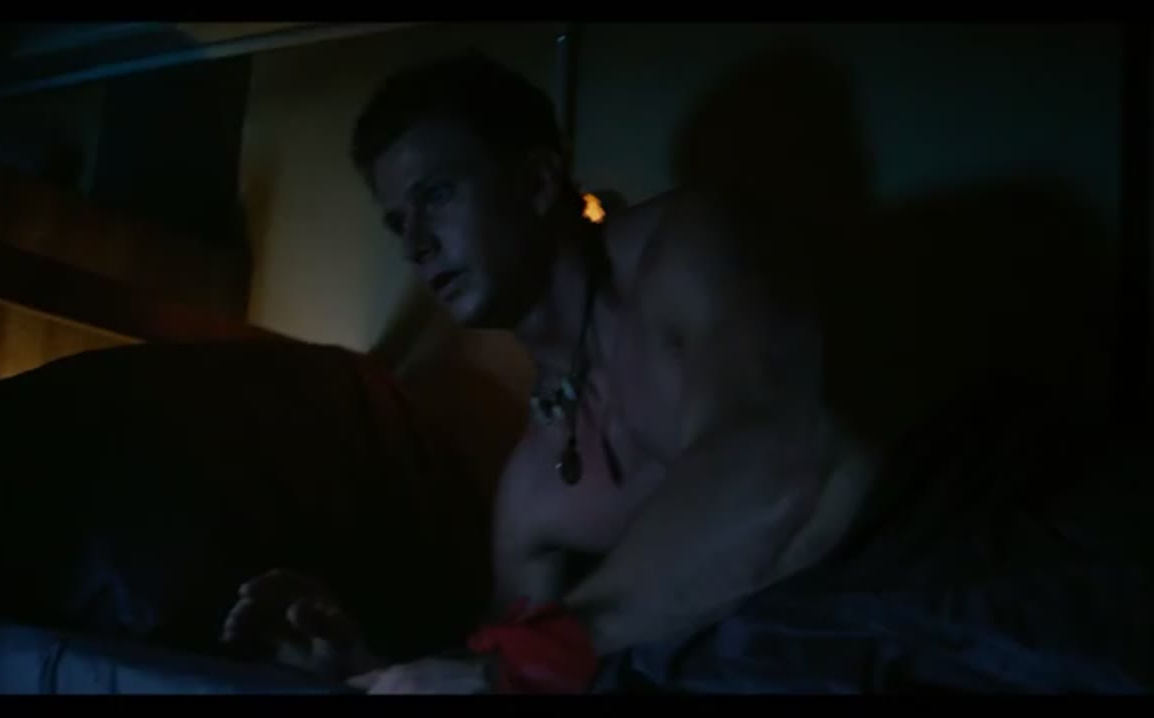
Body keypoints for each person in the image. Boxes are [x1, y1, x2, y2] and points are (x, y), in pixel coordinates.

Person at [221, 51, 1150, 694]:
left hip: (953, 520)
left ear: (539, 182)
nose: (415, 243)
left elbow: (774, 454)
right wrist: (365, 665)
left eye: (436, 195)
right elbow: (501, 661)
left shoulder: (684, 248)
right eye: (396, 222)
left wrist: (545, 654)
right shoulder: (532, 486)